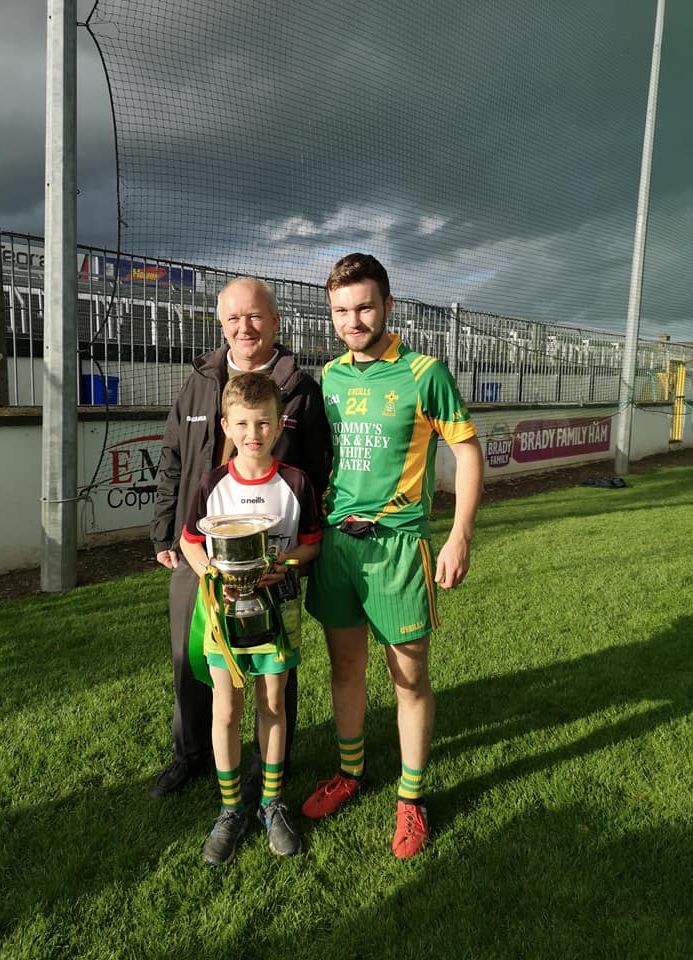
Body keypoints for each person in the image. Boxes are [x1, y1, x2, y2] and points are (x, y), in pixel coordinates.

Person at [302, 253, 484, 859]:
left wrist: (459, 535)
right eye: (340, 311)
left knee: (408, 679)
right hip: (337, 546)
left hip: (399, 547)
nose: (352, 321)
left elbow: (468, 452)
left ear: (388, 306)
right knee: (345, 669)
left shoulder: (424, 373)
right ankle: (350, 773)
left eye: (364, 307)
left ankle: (411, 798)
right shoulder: (330, 377)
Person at [150, 277, 331, 800]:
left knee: (275, 661)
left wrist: (299, 554)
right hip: (198, 551)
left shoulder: (300, 388)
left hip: (272, 562)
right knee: (192, 656)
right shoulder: (200, 380)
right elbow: (172, 459)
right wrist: (164, 531)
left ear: (275, 321)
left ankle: (267, 766)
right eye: (233, 318)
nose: (243, 327)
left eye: (254, 317)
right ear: (221, 323)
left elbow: (318, 471)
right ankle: (191, 755)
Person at [179, 373, 322, 864]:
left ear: (279, 424)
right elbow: (189, 543)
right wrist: (211, 572)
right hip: (223, 615)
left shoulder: (295, 483)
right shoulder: (212, 483)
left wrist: (285, 563)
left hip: (277, 613)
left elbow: (312, 544)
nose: (253, 433)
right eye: (241, 424)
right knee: (226, 710)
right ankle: (230, 809)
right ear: (226, 425)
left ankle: (272, 802)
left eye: (263, 423)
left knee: (273, 704)